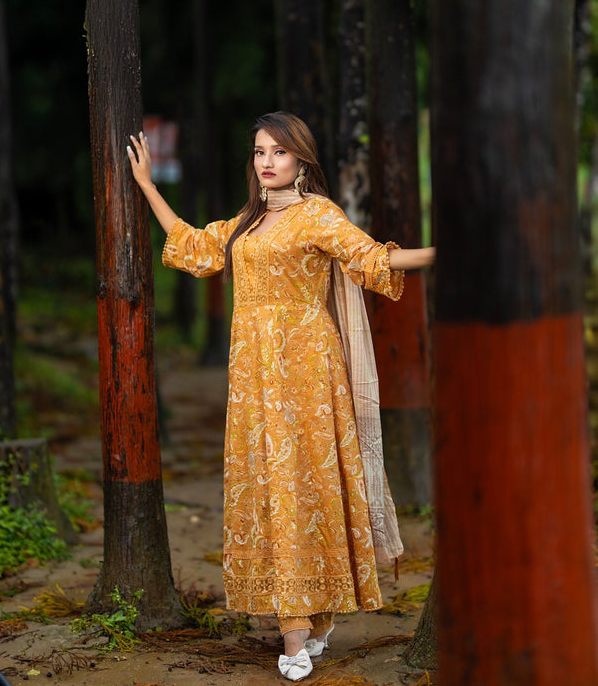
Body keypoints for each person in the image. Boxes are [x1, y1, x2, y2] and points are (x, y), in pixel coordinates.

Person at [127, 111, 435, 681]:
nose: (266, 162)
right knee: (269, 482)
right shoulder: (247, 222)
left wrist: (443, 256)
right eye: (259, 152)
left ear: (301, 161)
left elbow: (373, 259)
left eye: (279, 153)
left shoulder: (318, 214)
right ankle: (312, 619)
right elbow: (195, 248)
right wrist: (146, 185)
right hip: (251, 376)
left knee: (308, 483)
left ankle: (299, 626)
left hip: (308, 373)